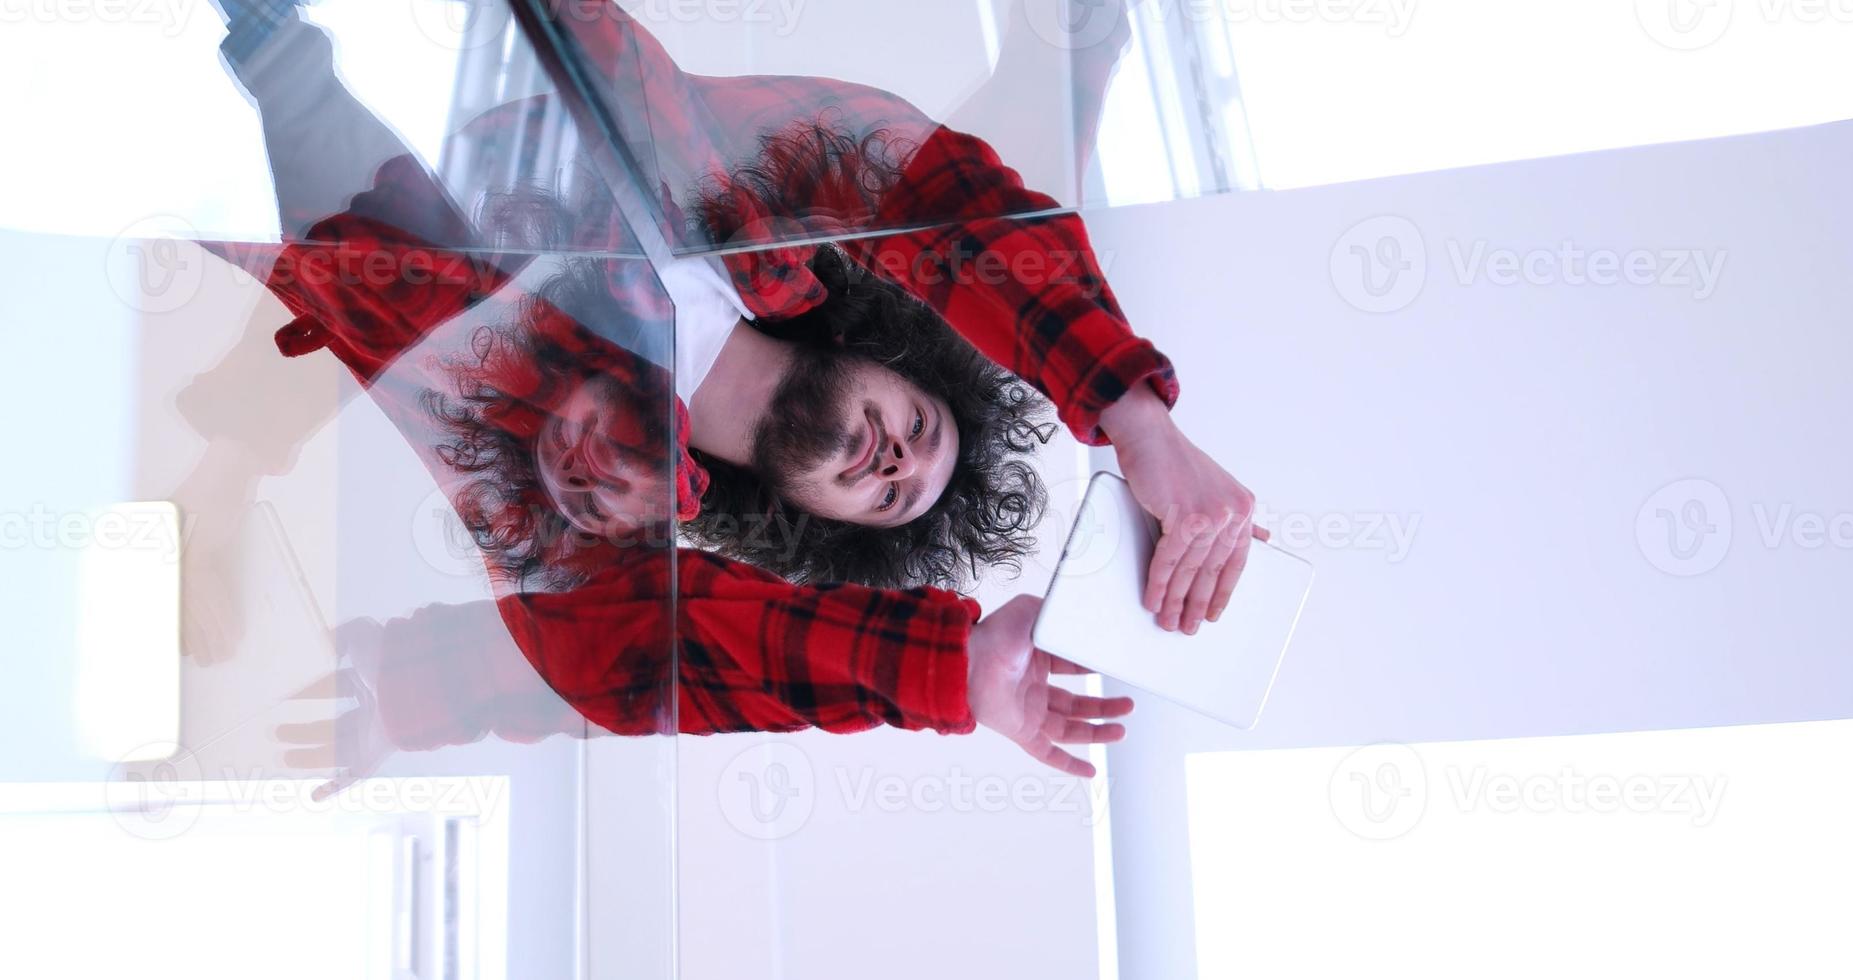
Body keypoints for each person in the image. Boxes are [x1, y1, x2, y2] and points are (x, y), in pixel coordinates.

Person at [184, 0, 1263, 795]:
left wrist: (956, 670)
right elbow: (939, 194)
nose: (895, 461)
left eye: (892, 496)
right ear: (890, 355)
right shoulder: (761, 191)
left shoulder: (592, 485)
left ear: (817, 525)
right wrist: (1134, 414)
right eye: (920, 429)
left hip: (246, 86)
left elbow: (614, 657)